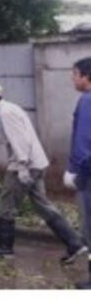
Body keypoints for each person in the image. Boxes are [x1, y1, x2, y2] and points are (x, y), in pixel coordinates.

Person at [0, 78, 86, 263]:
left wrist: (23, 166)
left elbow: (20, 141)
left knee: (5, 206)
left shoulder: (6, 113)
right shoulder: (11, 108)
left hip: (23, 166)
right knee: (44, 206)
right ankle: (75, 243)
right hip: (36, 163)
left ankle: (4, 248)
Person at [64, 56, 91, 289]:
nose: (73, 79)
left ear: (85, 76)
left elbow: (83, 144)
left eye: (75, 74)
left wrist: (77, 173)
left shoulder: (86, 101)